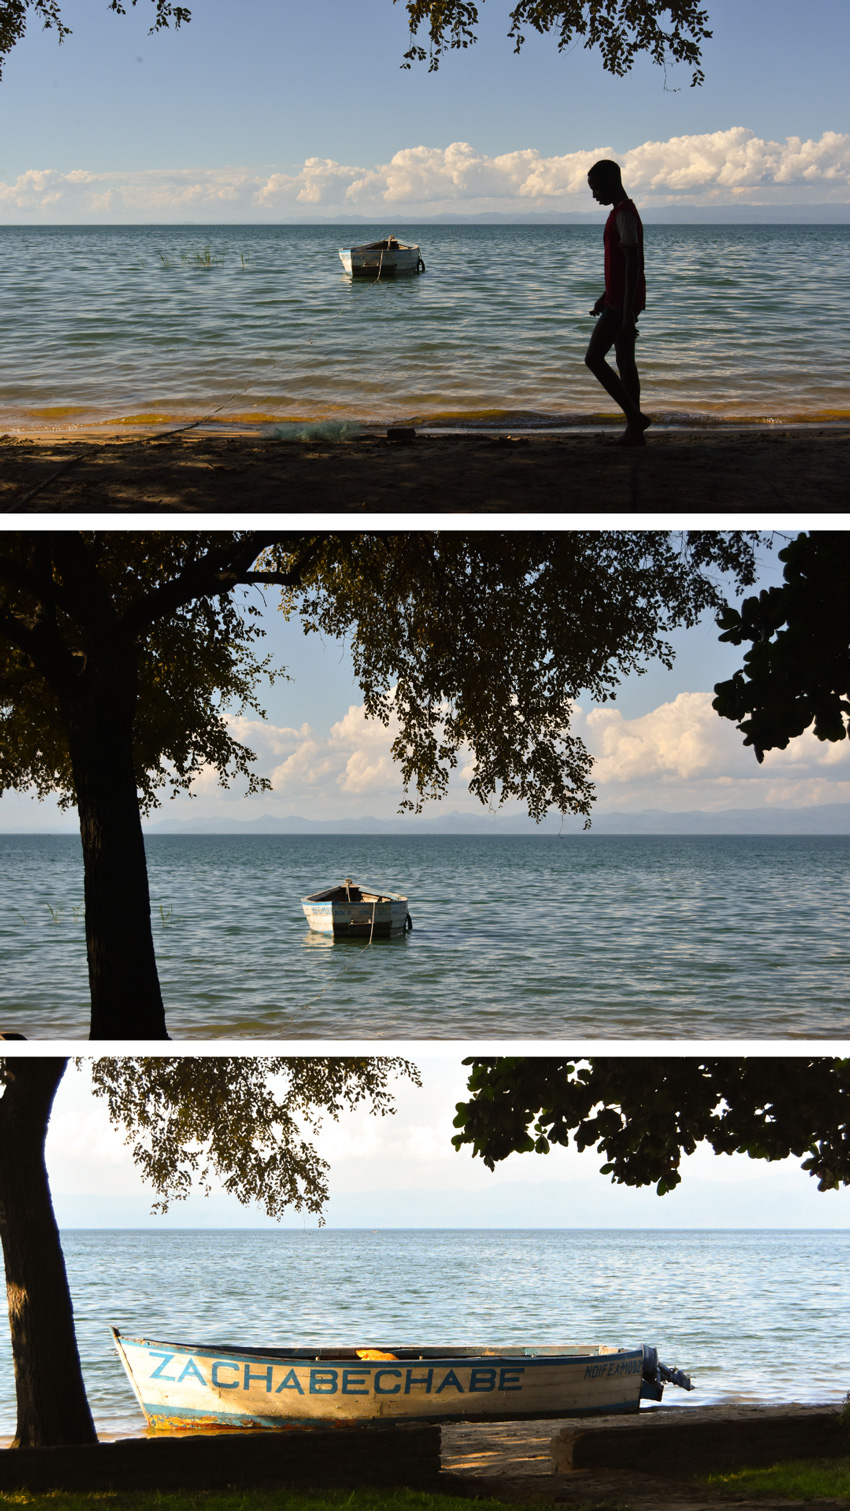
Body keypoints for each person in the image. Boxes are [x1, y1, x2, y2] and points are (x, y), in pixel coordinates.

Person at [584, 159, 651, 447]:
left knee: (593, 359)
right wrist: (605, 294)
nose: (594, 195)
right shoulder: (620, 213)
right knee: (625, 362)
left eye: (596, 188)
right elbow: (622, 266)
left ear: (612, 182)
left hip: (623, 304)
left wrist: (625, 315)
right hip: (620, 300)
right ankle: (634, 431)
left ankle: (635, 418)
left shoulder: (623, 214)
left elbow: (634, 263)